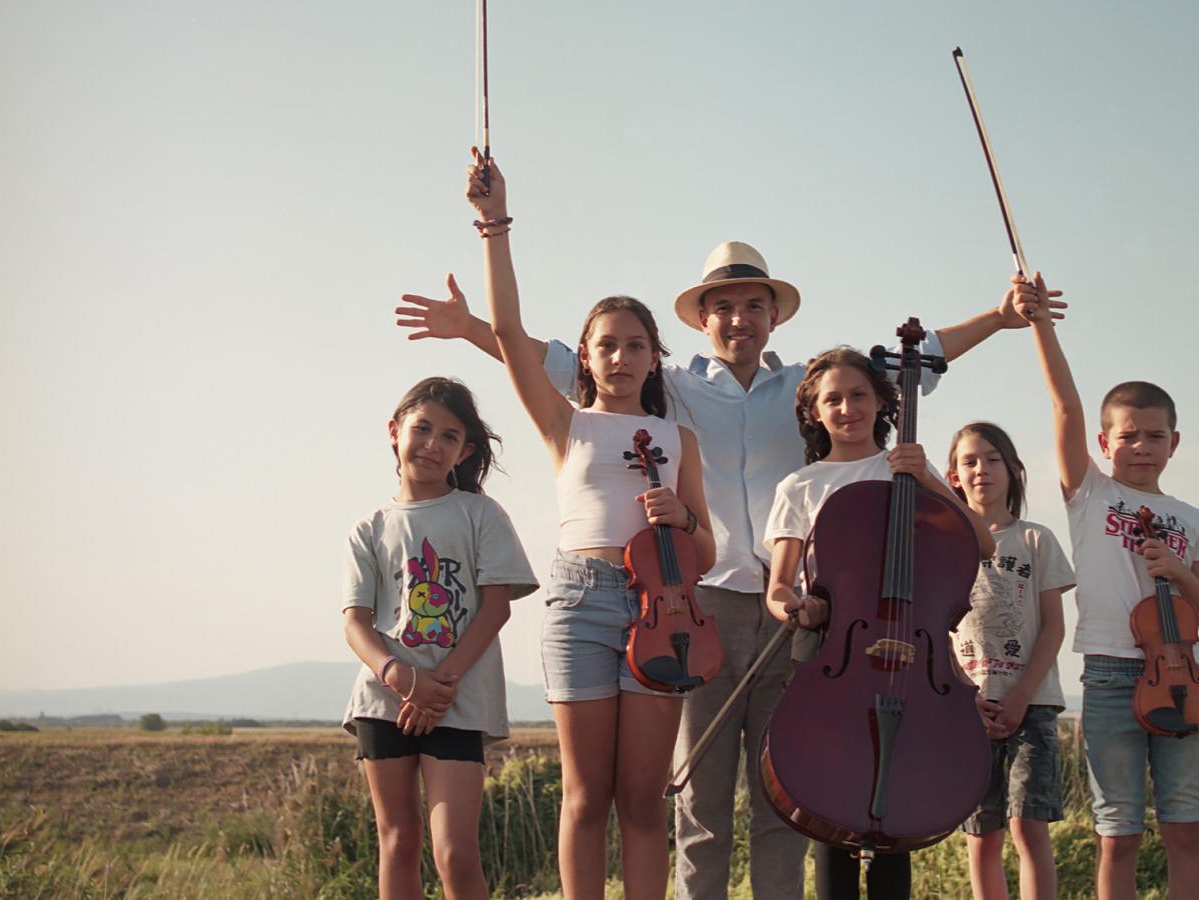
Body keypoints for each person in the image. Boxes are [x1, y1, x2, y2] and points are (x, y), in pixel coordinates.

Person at [396, 202, 1063, 899]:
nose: (739, 318)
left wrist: (999, 317)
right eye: (723, 307)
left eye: (753, 305)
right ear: (701, 320)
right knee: (699, 799)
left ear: (774, 316)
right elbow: (553, 360)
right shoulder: (671, 389)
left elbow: (906, 362)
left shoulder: (811, 385)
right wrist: (470, 327)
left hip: (802, 619)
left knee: (789, 792)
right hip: (694, 608)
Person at [466, 153, 717, 900]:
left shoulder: (678, 441)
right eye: (606, 344)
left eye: (635, 344)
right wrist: (493, 224)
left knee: (641, 801)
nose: (620, 356)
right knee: (585, 797)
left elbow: (703, 552)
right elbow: (508, 331)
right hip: (578, 604)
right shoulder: (565, 424)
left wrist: (680, 517)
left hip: (660, 612)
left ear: (654, 359)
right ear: (586, 357)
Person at [1013, 273, 1199, 900]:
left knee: (1187, 828)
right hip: (1109, 673)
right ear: (1105, 443)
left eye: (1154, 436)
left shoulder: (1193, 519)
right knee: (1119, 833)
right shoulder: (1091, 493)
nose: (1140, 446)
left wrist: (1180, 570)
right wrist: (1041, 328)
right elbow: (1064, 407)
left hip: (1185, 677)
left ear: (1174, 444)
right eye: (1127, 435)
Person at [762, 347, 996, 900]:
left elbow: (982, 543)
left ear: (881, 403)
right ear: (814, 412)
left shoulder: (908, 468)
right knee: (829, 794)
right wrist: (797, 607)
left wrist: (928, 482)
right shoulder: (799, 486)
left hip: (913, 659)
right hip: (828, 650)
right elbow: (778, 586)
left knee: (902, 806)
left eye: (859, 395)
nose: (848, 408)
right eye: (833, 399)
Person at [341, 376, 539, 900]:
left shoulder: (481, 515)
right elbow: (356, 622)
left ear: (465, 450)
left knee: (454, 852)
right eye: (421, 428)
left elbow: (496, 608)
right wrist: (402, 678)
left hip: (459, 700)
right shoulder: (370, 527)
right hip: (385, 700)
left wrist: (439, 687)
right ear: (394, 432)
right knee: (398, 843)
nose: (432, 443)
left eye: (449, 436)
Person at [944, 422, 1075, 900]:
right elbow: (936, 629)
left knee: (1028, 828)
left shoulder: (1035, 540)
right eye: (970, 461)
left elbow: (1054, 627)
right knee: (982, 835)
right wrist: (963, 693)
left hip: (1031, 704)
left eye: (992, 459)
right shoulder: (943, 544)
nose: (981, 470)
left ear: (1015, 470)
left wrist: (1022, 695)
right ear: (953, 476)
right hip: (966, 705)